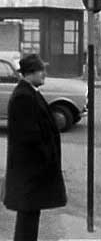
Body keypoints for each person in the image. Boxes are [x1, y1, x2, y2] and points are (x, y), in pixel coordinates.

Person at [1, 54, 67, 241]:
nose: (44, 74)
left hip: (31, 171)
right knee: (27, 216)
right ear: (30, 73)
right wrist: (46, 158)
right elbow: (29, 136)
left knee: (30, 214)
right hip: (31, 171)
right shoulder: (24, 96)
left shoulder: (30, 92)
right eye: (41, 71)